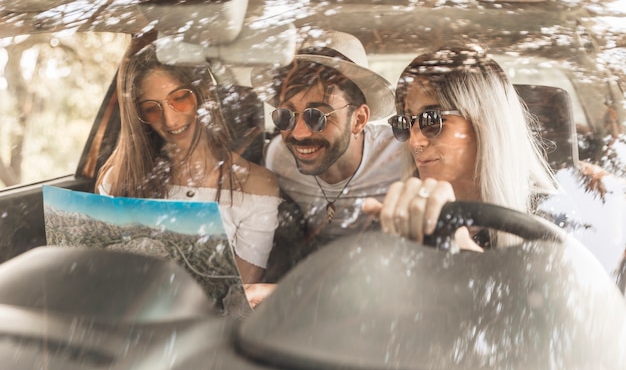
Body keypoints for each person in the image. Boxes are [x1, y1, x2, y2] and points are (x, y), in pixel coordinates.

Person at [95, 40, 281, 285]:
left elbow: (241, 296)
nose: (170, 121)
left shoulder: (255, 186)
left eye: (180, 98)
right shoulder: (117, 179)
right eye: (152, 109)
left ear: (203, 95)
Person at [363, 45, 558, 250]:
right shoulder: (401, 220)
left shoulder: (548, 221)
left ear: (484, 124)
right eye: (404, 123)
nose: (414, 142)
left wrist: (463, 249)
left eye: (432, 120)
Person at [260, 29, 406, 253]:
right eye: (285, 117)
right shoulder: (277, 158)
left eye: (316, 117)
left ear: (358, 119)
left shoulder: (403, 159)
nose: (299, 134)